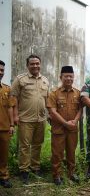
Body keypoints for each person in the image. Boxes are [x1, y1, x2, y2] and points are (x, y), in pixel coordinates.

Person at [10, 54, 49, 184]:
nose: (35, 66)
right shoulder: (20, 79)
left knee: (37, 144)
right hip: (25, 119)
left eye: (37, 63)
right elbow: (13, 98)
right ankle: (24, 170)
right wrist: (15, 116)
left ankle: (35, 167)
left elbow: (46, 99)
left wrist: (48, 116)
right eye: (32, 64)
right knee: (25, 146)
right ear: (27, 65)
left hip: (41, 119)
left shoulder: (45, 80)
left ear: (40, 64)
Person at [47, 66, 82, 185]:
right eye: (66, 76)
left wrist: (75, 121)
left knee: (71, 152)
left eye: (70, 76)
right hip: (59, 129)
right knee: (57, 153)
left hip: (72, 129)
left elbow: (80, 110)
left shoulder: (78, 93)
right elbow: (52, 111)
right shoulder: (54, 94)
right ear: (61, 77)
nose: (68, 78)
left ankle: (71, 173)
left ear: (73, 77)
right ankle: (57, 175)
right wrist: (65, 123)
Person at [0, 60, 15, 188]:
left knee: (3, 155)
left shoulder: (7, 89)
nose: (0, 72)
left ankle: (4, 177)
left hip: (4, 128)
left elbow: (10, 107)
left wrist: (11, 125)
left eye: (2, 70)